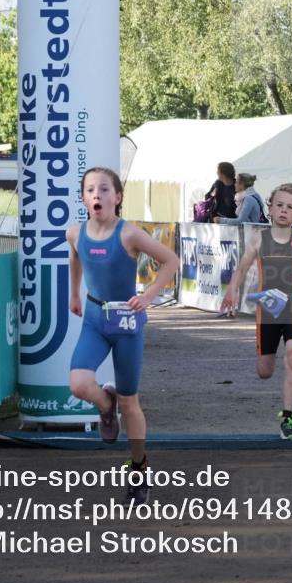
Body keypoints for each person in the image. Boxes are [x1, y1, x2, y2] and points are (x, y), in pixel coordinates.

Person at [67, 166, 179, 504]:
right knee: (79, 384)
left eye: (104, 190)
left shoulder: (129, 234)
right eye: (90, 190)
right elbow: (76, 258)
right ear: (84, 198)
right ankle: (105, 404)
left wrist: (147, 296)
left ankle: (139, 471)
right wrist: (74, 293)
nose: (97, 195)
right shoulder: (75, 233)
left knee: (131, 402)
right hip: (96, 319)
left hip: (127, 323)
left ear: (117, 197)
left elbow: (171, 261)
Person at [220, 183, 292, 439]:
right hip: (268, 310)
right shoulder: (258, 240)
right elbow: (241, 268)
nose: (284, 211)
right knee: (265, 371)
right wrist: (232, 291)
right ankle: (266, 360)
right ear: (270, 209)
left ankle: (288, 417)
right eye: (279, 205)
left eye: (290, 207)